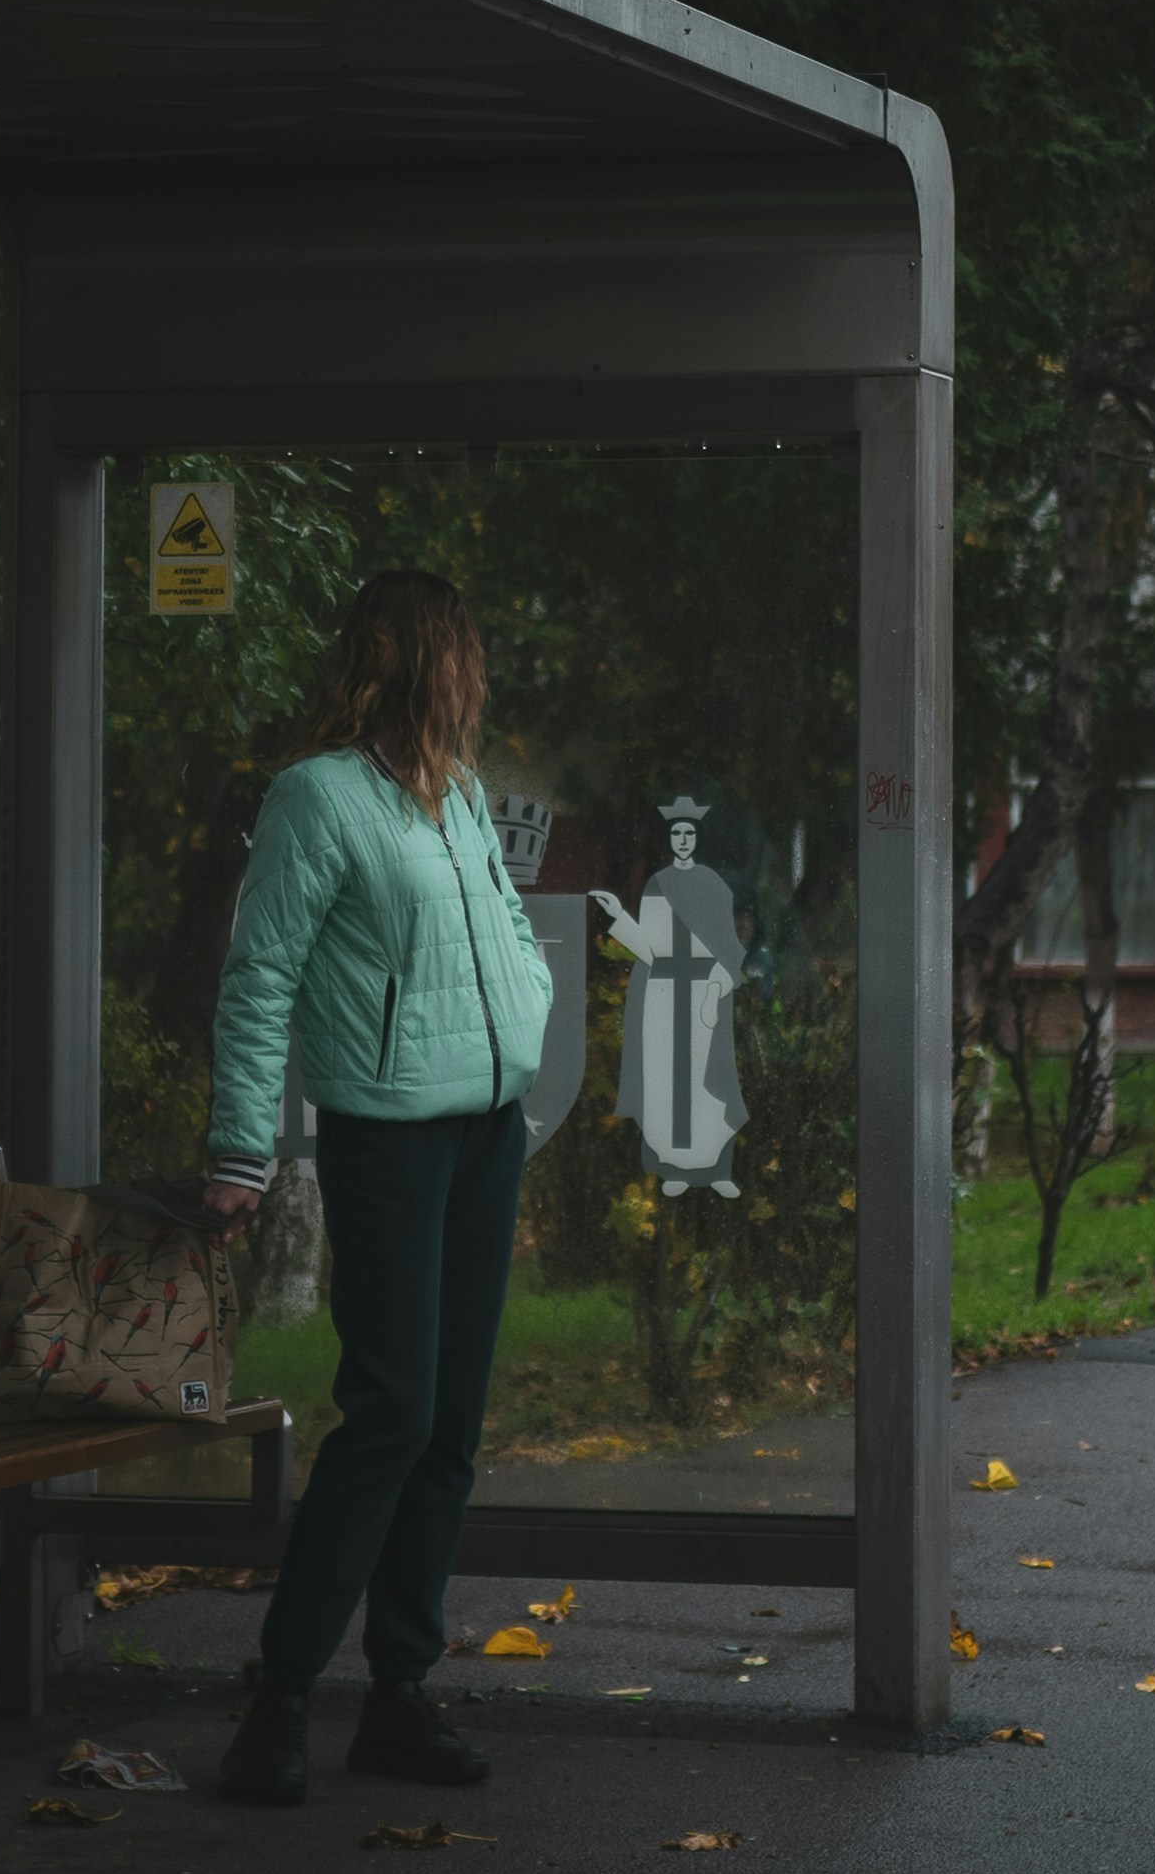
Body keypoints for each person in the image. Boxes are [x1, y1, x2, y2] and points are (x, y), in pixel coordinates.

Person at [203, 569, 553, 1806]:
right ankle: (281, 1698)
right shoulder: (318, 797)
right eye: (463, 652)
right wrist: (242, 1152)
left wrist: (531, 1014)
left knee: (450, 1424)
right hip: (389, 1141)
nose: (476, 676)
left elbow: (507, 925)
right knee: (390, 1411)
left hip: (485, 1132)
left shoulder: (456, 797)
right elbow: (259, 977)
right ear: (424, 660)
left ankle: (401, 1691)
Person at [593, 795, 749, 1197]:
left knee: (710, 1078)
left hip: (702, 994)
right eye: (676, 833)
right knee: (666, 1081)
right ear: (670, 837)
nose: (682, 839)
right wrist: (619, 917)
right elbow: (651, 948)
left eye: (689, 833)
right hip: (664, 997)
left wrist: (717, 984)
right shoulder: (657, 884)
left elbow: (729, 947)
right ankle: (673, 1168)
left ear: (697, 838)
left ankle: (716, 1169)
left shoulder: (713, 886)